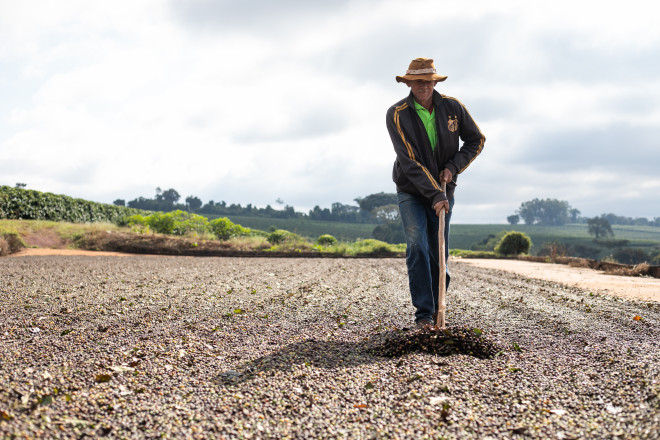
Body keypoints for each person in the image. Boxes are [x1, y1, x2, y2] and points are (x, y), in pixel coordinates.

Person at [386, 58, 485, 328]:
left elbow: (476, 140)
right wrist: (434, 194)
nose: (424, 86)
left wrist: (453, 167)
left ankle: (439, 305)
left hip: (444, 190)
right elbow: (409, 161)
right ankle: (424, 315)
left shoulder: (453, 108)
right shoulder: (397, 114)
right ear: (408, 83)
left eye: (428, 81)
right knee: (418, 245)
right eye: (418, 81)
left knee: (438, 251)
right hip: (412, 191)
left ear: (435, 82)